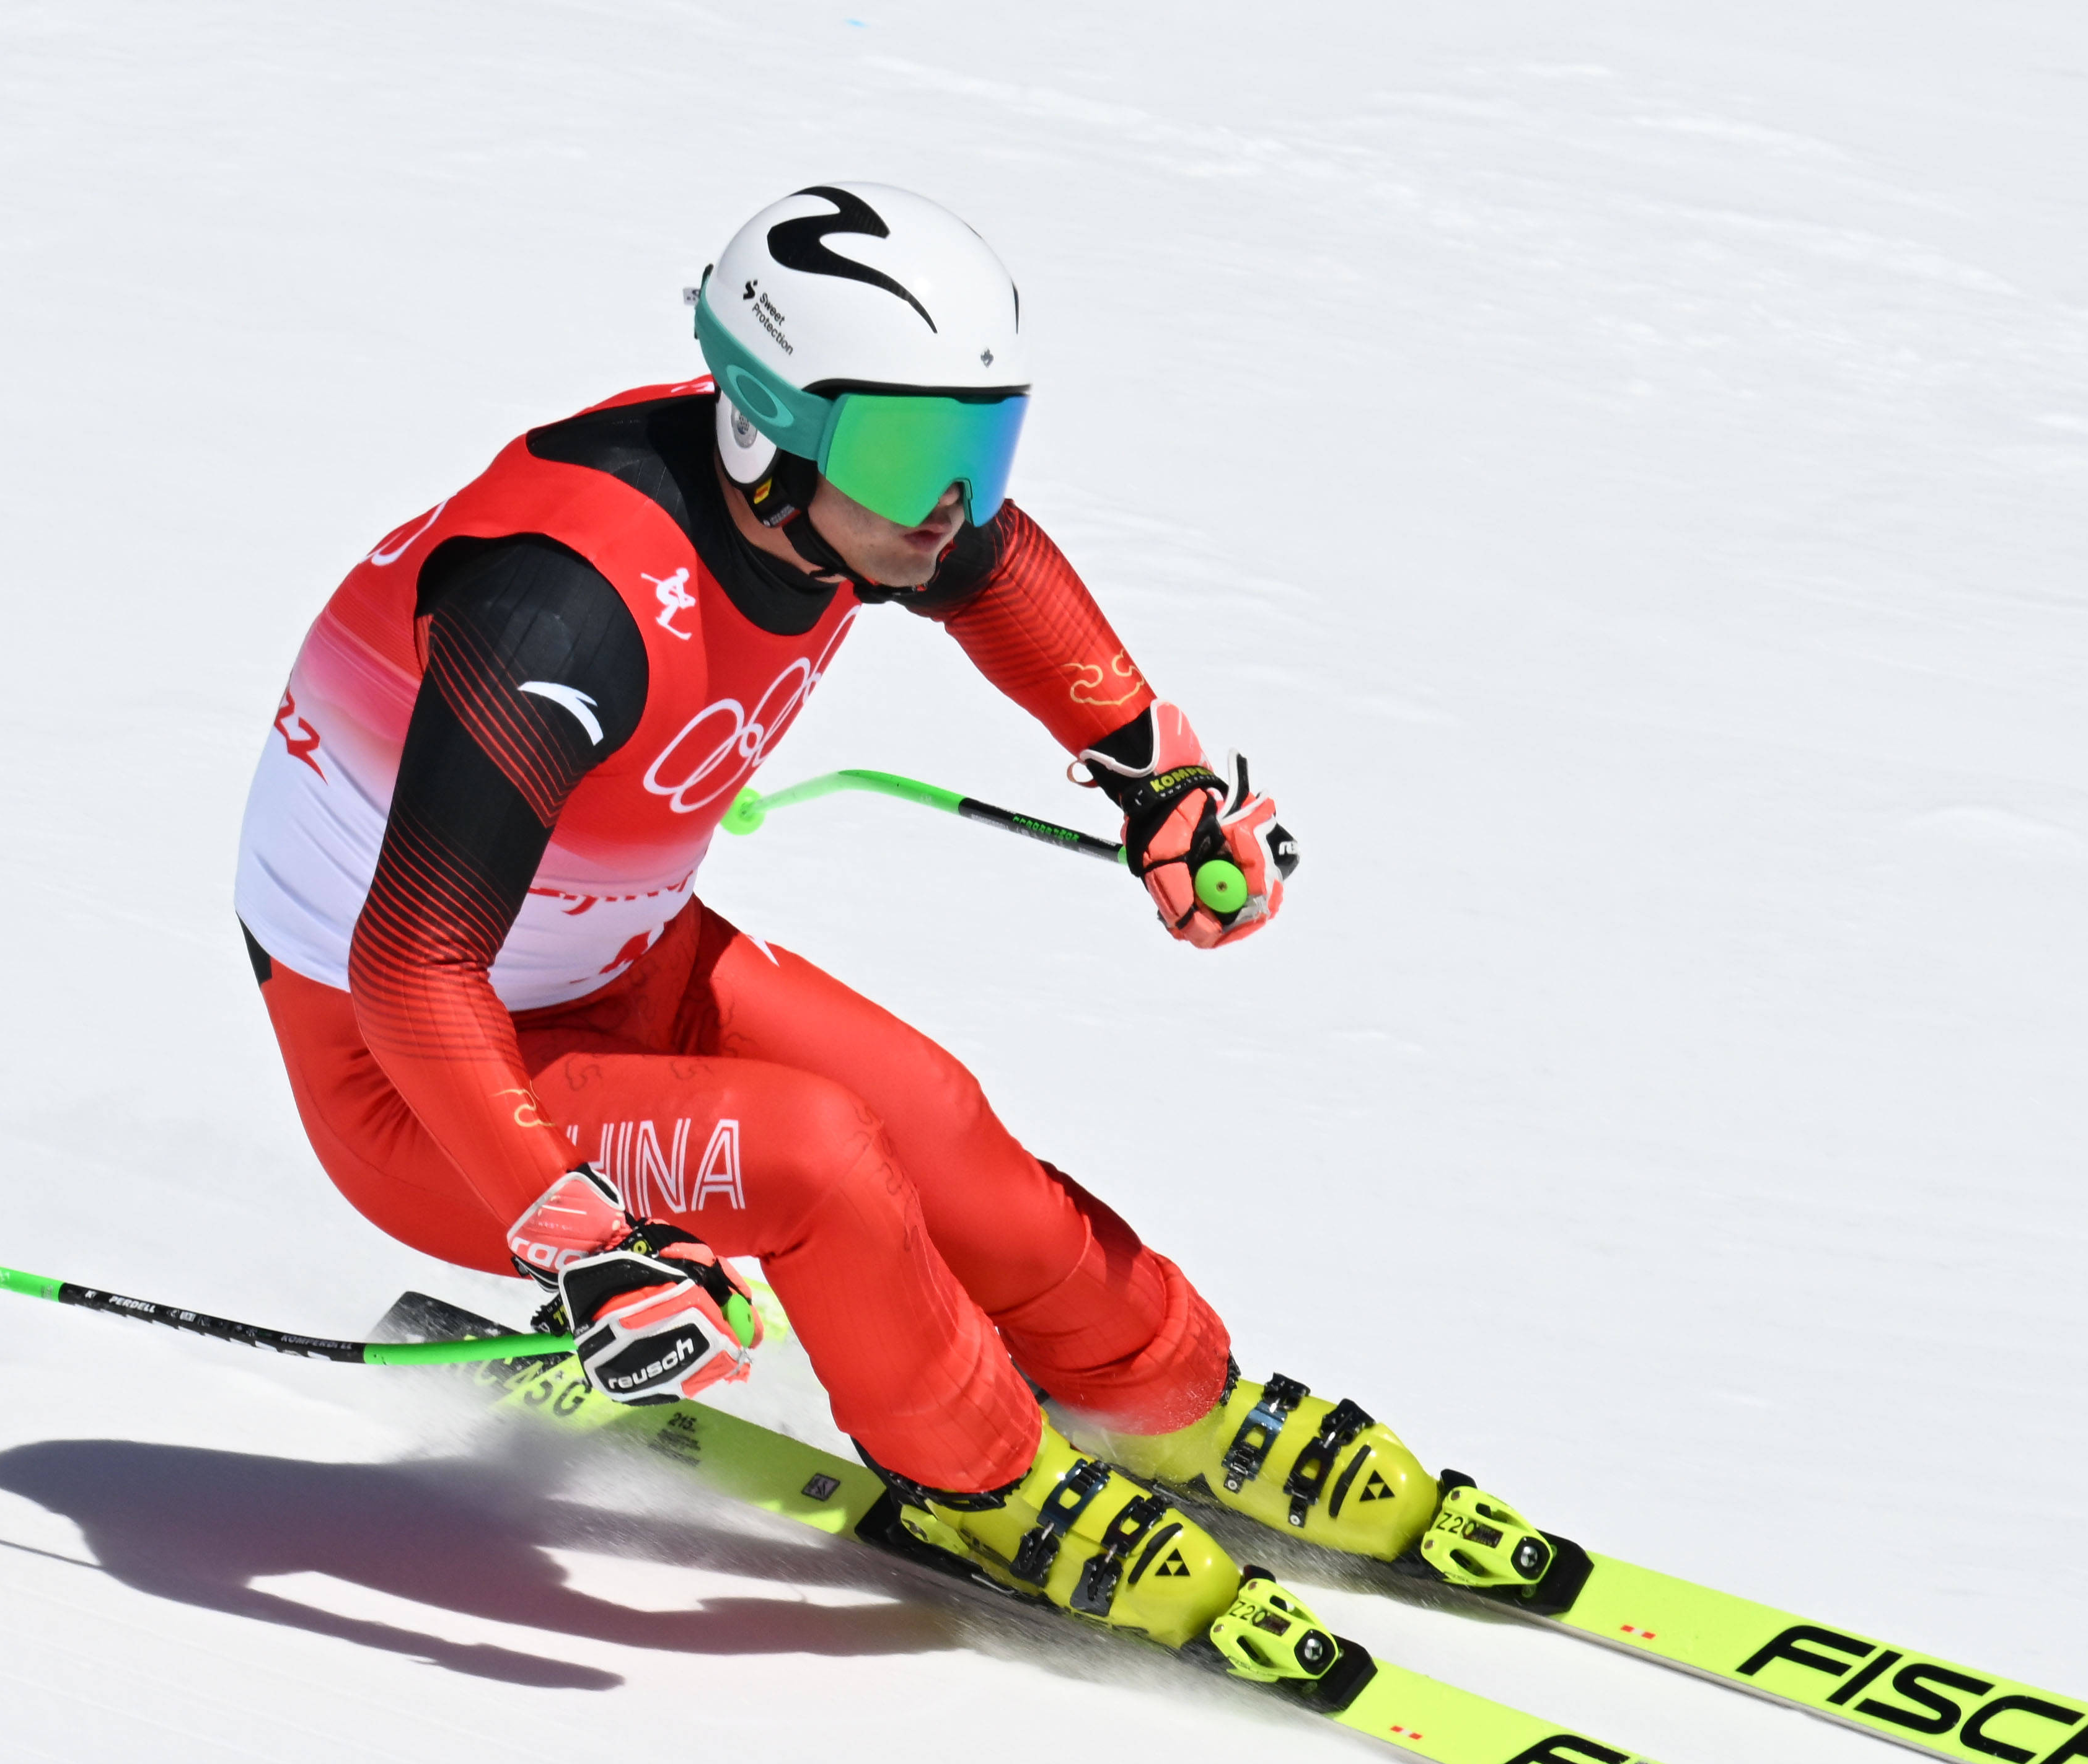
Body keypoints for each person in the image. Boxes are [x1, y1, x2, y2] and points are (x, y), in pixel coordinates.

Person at [233, 184, 1559, 1670]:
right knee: (816, 1163)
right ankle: (985, 1482)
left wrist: (1153, 773)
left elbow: (1001, 574)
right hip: (412, 1075)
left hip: (614, 966)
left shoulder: (836, 505)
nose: (952, 502)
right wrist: (583, 1241)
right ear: (761, 429)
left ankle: (1165, 1391)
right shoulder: (560, 615)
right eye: (914, 453)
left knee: (928, 1115)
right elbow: (410, 967)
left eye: (977, 446)